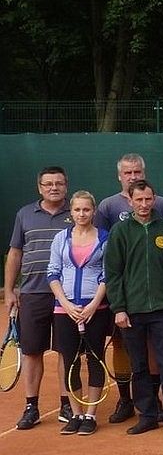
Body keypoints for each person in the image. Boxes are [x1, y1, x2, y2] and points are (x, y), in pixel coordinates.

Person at [103, 180, 163, 442]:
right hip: (132, 311)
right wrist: (119, 308)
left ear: (155, 200)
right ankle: (148, 416)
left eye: (148, 199)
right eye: (138, 200)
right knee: (139, 367)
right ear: (129, 201)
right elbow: (113, 274)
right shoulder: (120, 231)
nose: (143, 204)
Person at [96, 153, 163, 425]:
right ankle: (125, 399)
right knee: (120, 345)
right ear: (119, 176)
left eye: (137, 172)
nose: (133, 177)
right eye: (128, 173)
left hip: (155, 297)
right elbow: (101, 249)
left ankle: (153, 400)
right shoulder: (107, 206)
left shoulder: (161, 204)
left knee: (153, 349)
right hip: (123, 295)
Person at [6, 166, 73, 430]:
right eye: (48, 184)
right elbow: (15, 254)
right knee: (32, 351)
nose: (53, 187)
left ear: (66, 186)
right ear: (40, 187)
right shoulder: (24, 214)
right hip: (33, 294)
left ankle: (67, 404)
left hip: (68, 296)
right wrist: (10, 289)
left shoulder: (78, 212)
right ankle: (31, 406)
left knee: (66, 351)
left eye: (58, 183)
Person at [47, 190, 110, 435]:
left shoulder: (105, 238)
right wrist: (66, 303)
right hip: (65, 311)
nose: (81, 214)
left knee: (95, 360)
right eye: (77, 210)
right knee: (71, 361)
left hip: (96, 310)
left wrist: (93, 304)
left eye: (86, 209)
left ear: (93, 211)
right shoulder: (60, 239)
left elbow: (107, 275)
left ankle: (91, 415)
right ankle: (75, 413)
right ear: (71, 212)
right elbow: (52, 273)